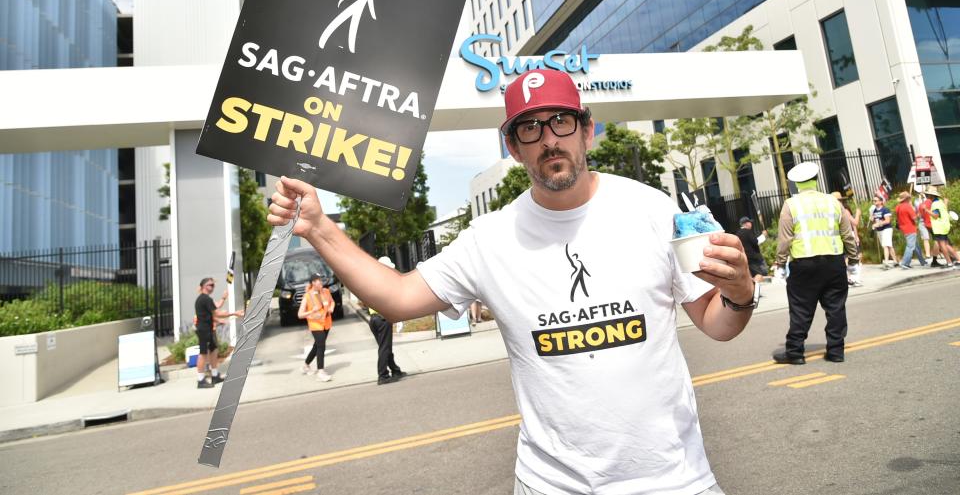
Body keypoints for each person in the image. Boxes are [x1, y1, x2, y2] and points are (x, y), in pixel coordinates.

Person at [269, 68, 756, 495]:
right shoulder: (490, 238)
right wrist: (318, 227)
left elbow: (718, 324)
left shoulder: (650, 209)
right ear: (514, 147)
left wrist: (739, 295)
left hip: (671, 480)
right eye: (530, 127)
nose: (549, 139)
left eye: (561, 121)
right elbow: (397, 297)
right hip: (551, 484)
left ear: (587, 130)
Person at [771, 162, 859, 365]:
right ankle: (836, 351)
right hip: (834, 263)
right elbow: (847, 234)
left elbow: (785, 239)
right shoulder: (833, 202)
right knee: (836, 308)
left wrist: (780, 264)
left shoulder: (791, 205)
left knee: (801, 309)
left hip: (804, 266)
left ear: (795, 183)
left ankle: (795, 353)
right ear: (816, 179)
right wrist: (853, 260)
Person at [195, 277, 243, 389]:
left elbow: (212, 314)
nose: (212, 287)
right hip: (204, 330)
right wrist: (234, 313)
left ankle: (215, 375)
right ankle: (200, 380)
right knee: (203, 354)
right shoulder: (204, 299)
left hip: (209, 328)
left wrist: (219, 320)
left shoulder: (206, 299)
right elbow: (216, 313)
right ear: (203, 286)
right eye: (210, 285)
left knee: (213, 351)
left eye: (213, 285)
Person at [368, 256, 407, 385]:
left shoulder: (371, 281)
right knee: (385, 347)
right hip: (382, 318)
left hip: (374, 319)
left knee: (384, 347)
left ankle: (395, 370)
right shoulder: (383, 282)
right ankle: (382, 375)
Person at [299, 273, 335, 382]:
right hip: (315, 324)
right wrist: (312, 311)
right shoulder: (308, 295)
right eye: (319, 280)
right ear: (313, 283)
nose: (321, 282)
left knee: (317, 346)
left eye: (321, 280)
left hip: (326, 323)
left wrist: (331, 308)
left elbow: (332, 302)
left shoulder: (326, 291)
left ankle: (305, 366)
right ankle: (320, 372)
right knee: (321, 346)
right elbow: (300, 314)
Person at [832, 192, 863, 286]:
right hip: (848, 236)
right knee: (856, 256)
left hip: (842, 237)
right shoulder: (844, 210)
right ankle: (853, 278)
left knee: (847, 257)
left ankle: (851, 278)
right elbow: (855, 223)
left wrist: (856, 236)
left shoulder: (833, 211)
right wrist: (858, 214)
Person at [928, 185, 960, 267]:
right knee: (946, 245)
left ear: (931, 196)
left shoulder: (935, 204)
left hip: (939, 228)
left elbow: (936, 215)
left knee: (942, 246)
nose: (928, 196)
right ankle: (958, 260)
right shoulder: (940, 202)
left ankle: (949, 262)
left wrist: (926, 210)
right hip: (945, 226)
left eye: (928, 195)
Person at [894, 191, 926, 269]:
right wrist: (920, 212)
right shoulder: (907, 206)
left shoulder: (898, 207)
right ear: (907, 199)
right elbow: (914, 218)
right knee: (910, 246)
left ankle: (922, 261)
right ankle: (905, 263)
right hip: (910, 228)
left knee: (916, 245)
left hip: (903, 227)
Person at [735, 216, 768, 282]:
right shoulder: (748, 231)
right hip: (755, 258)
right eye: (750, 222)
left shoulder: (737, 234)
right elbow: (755, 242)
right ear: (746, 223)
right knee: (762, 273)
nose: (751, 224)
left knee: (753, 275)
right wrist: (763, 236)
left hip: (746, 258)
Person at [869, 195, 897, 268]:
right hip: (879, 230)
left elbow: (887, 221)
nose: (874, 202)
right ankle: (895, 261)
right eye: (873, 201)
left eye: (875, 200)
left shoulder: (885, 209)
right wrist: (871, 216)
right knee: (888, 245)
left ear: (881, 201)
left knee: (885, 245)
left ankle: (886, 262)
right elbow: (873, 219)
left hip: (886, 229)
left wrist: (879, 223)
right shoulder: (874, 210)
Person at [914, 191, 933, 261]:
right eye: (919, 193)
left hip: (930, 220)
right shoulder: (916, 201)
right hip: (922, 221)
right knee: (926, 237)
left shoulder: (928, 200)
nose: (920, 194)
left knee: (936, 238)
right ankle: (928, 254)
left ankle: (937, 253)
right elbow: (917, 213)